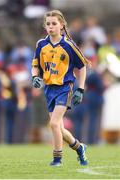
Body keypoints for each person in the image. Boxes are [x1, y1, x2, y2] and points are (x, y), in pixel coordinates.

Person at [31, 10, 89, 167]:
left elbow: (83, 66)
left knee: (54, 124)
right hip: (49, 89)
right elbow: (35, 65)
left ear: (62, 25)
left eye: (54, 24)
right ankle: (79, 147)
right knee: (60, 129)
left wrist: (81, 89)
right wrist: (35, 77)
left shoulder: (68, 45)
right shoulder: (41, 44)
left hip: (65, 87)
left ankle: (57, 159)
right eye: (48, 24)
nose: (51, 27)